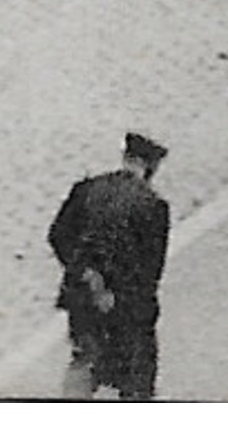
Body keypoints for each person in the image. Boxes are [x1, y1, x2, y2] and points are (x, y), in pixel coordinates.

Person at [48, 132, 172, 401]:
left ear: (126, 158)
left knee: (84, 359)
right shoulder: (154, 206)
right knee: (138, 375)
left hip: (82, 296)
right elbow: (150, 273)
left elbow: (58, 235)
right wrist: (118, 297)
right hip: (125, 306)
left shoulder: (86, 189)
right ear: (150, 167)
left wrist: (87, 275)